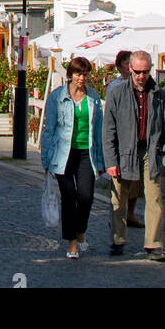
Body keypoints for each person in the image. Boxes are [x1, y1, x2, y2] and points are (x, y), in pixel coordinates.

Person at [102, 49, 165, 261]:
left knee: (155, 198)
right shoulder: (117, 93)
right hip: (124, 151)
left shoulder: (160, 95)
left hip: (150, 152)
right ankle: (117, 240)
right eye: (137, 72)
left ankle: (154, 245)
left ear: (150, 70)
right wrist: (110, 161)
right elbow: (108, 130)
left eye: (145, 71)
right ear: (130, 69)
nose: (141, 76)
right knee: (118, 199)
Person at [40, 55, 105, 259]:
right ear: (70, 74)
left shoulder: (93, 98)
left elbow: (99, 131)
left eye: (85, 74)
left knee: (85, 196)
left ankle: (80, 231)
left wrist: (101, 160)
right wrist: (46, 159)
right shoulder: (57, 97)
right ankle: (72, 243)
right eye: (78, 73)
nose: (81, 78)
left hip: (87, 152)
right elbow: (49, 129)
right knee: (69, 197)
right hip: (63, 154)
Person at [108, 50, 141, 228]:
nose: (130, 67)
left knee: (136, 184)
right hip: (121, 141)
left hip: (137, 141)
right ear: (119, 66)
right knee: (120, 185)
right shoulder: (115, 87)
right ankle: (116, 222)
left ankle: (130, 214)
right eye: (127, 63)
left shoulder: (141, 85)